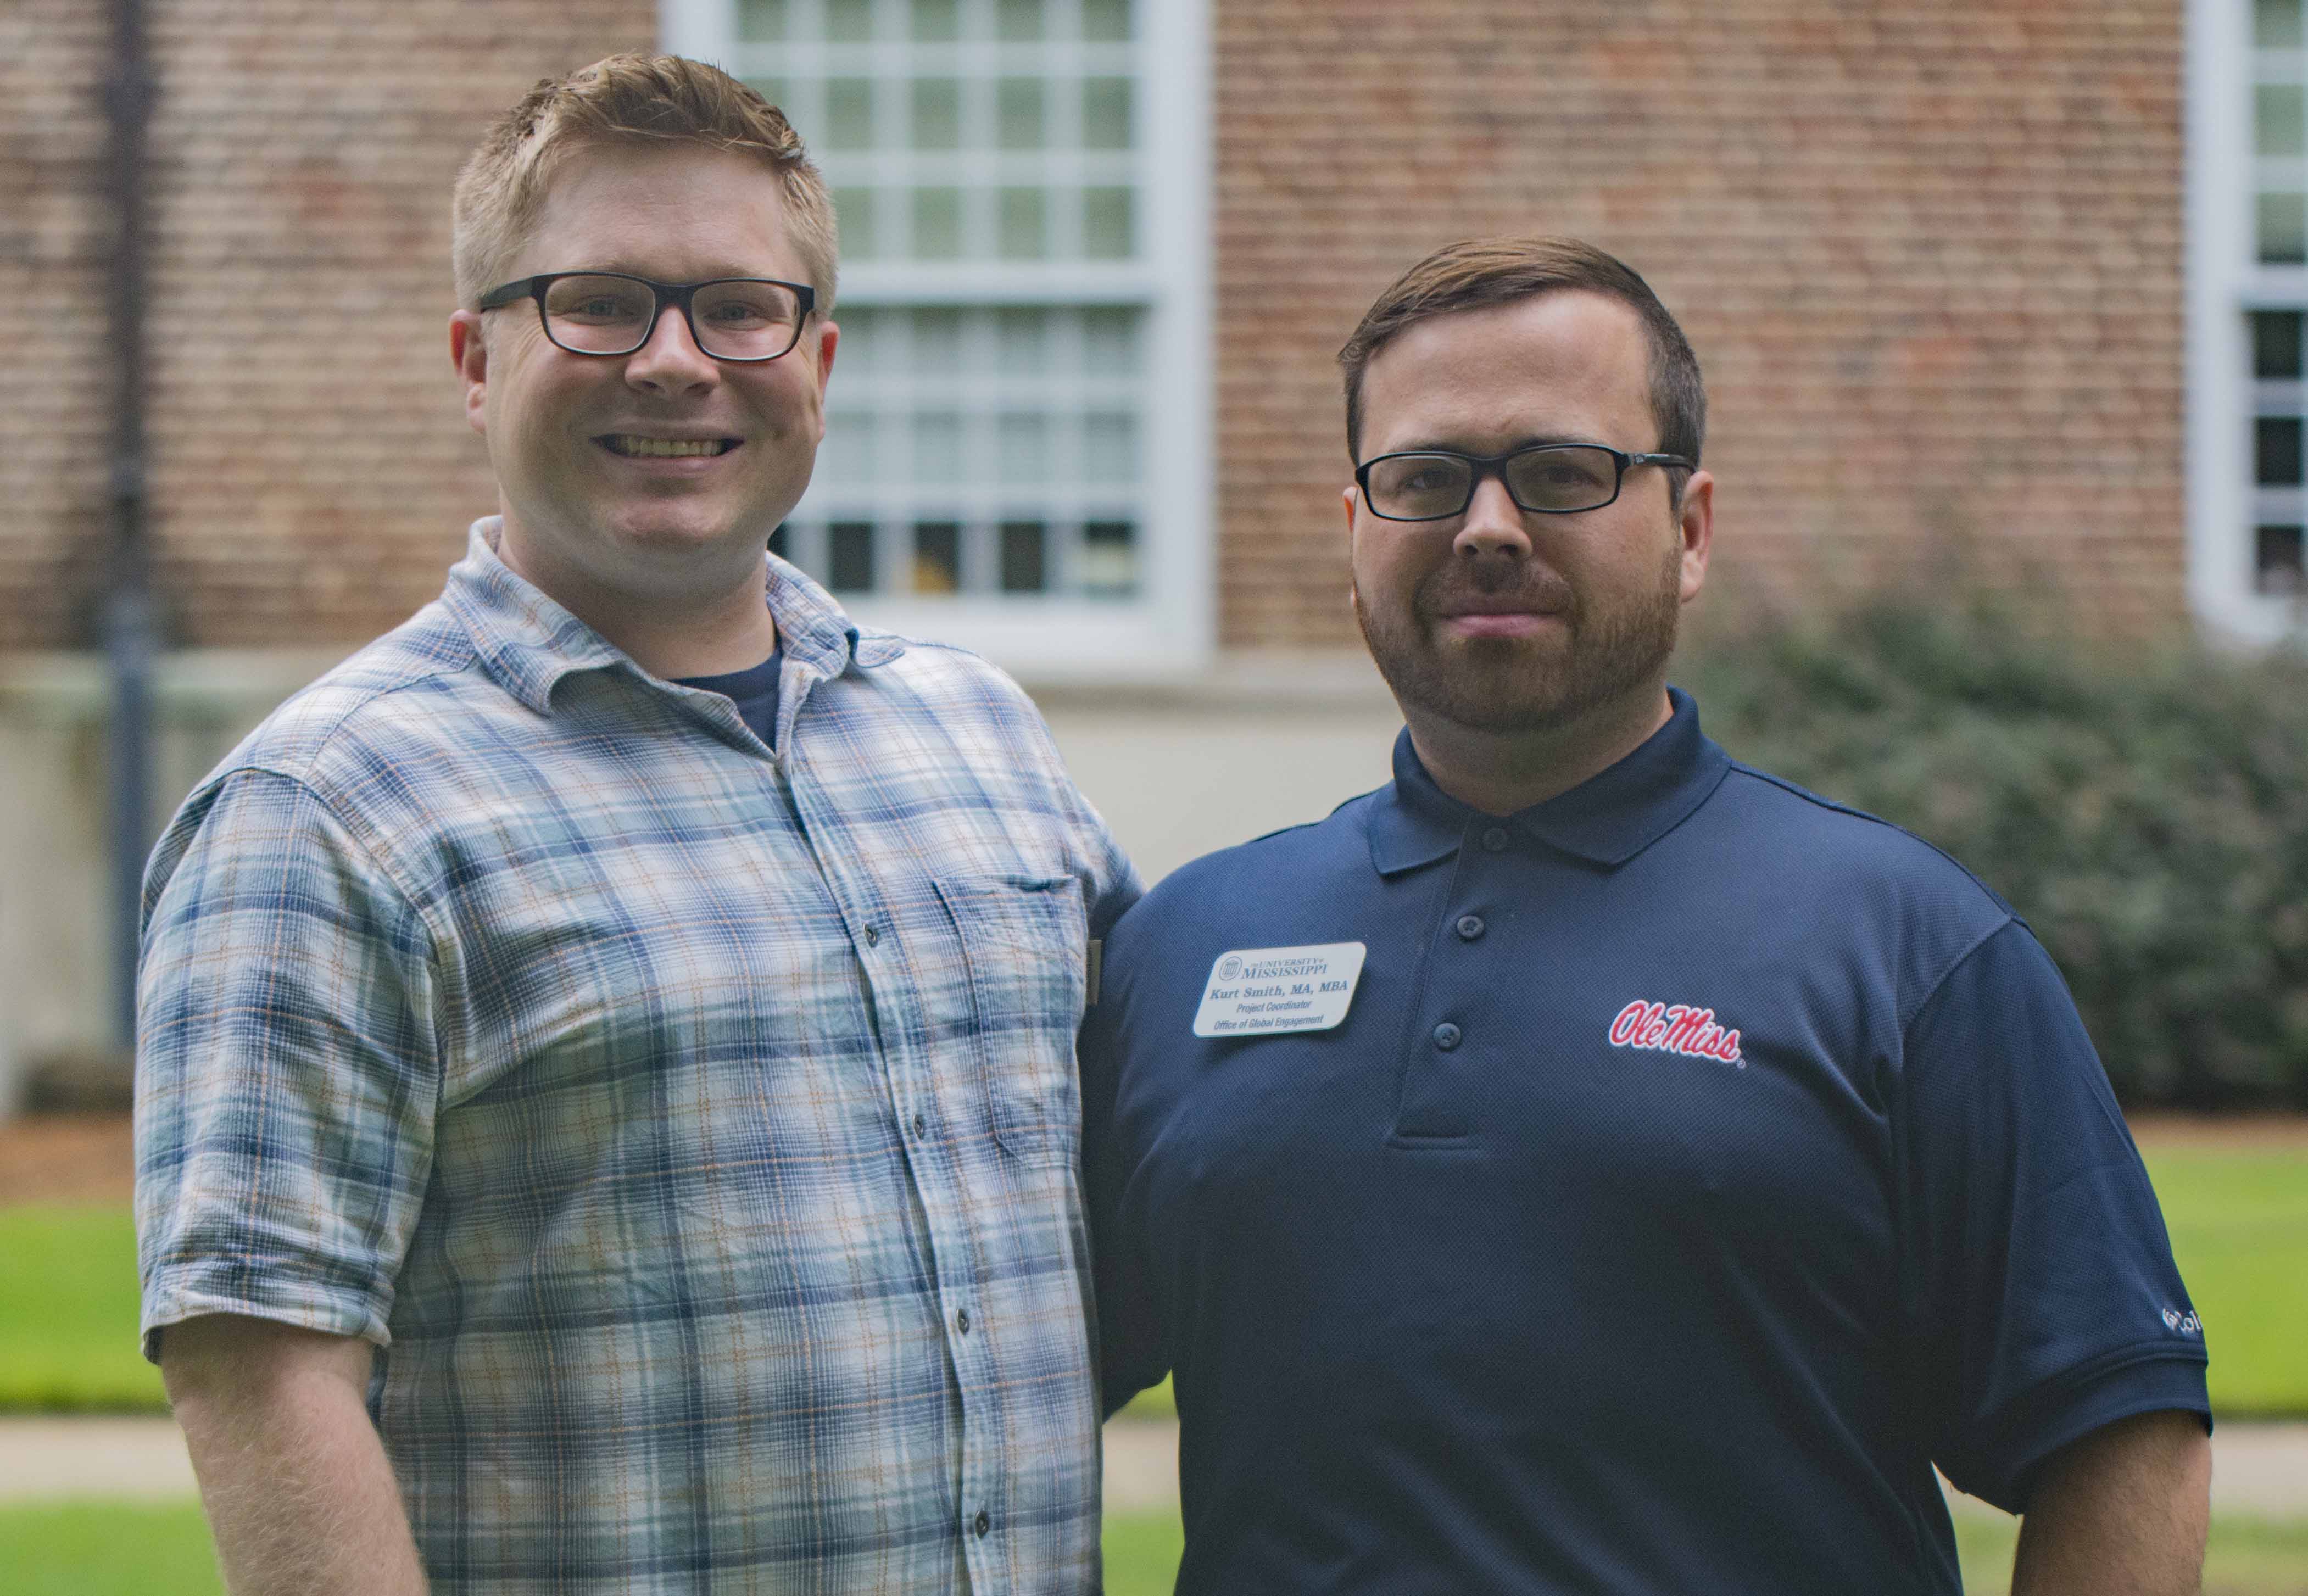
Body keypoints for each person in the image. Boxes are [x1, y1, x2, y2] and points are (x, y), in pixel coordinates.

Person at [136, 55, 1135, 1595]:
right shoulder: (329, 809)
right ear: (476, 360)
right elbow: (259, 1369)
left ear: (818, 361)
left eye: (740, 309)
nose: (676, 363)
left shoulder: (980, 737)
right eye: (598, 304)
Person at [1081, 236, 2212, 1594]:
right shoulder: (1185, 944)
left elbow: (2120, 1439)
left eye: (1563, 472)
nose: (1487, 527)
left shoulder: (1908, 948)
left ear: (1689, 530)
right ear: (1353, 532)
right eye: (1425, 478)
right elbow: (1001, 1375)